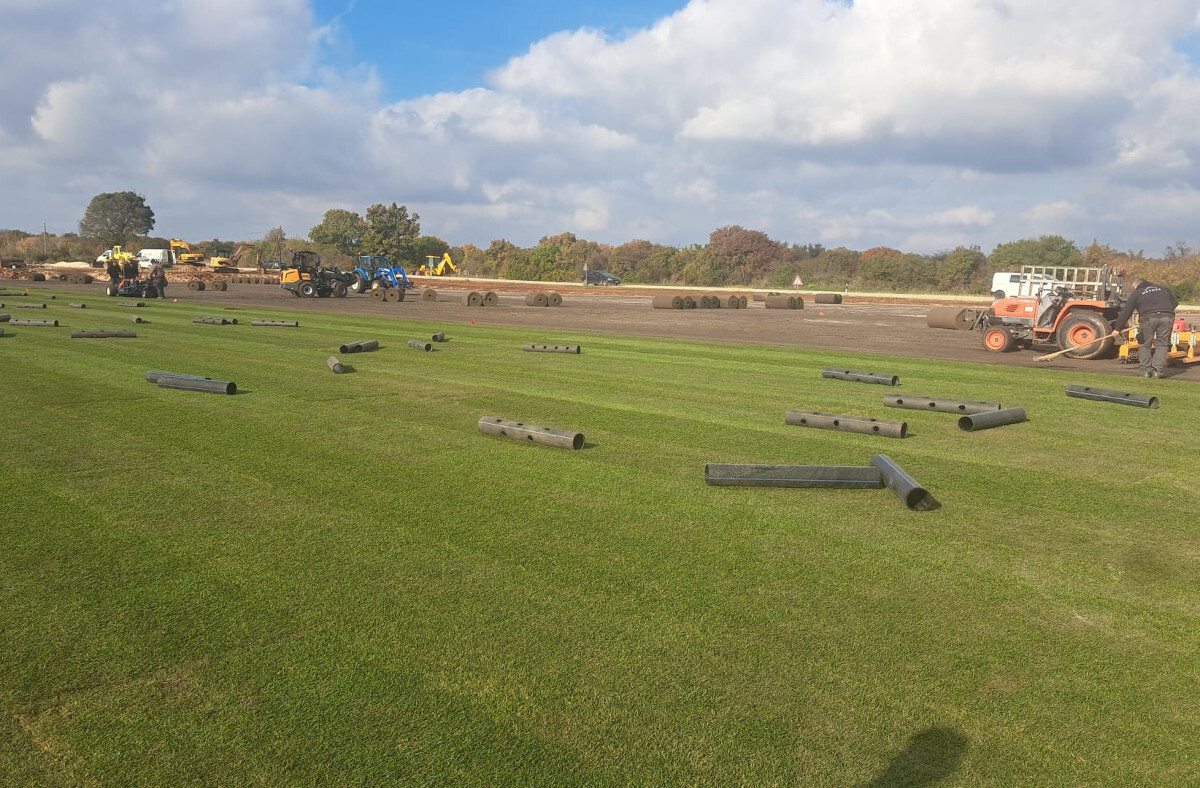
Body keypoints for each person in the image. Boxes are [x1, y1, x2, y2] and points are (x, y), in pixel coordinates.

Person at [1111, 277, 1179, 378]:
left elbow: (1126, 312)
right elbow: (1175, 303)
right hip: (1167, 317)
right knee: (1162, 344)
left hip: (1147, 318)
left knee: (1145, 344)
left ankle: (1146, 371)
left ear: (1136, 286)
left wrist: (1117, 328)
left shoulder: (1137, 293)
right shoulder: (1163, 288)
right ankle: (1156, 371)